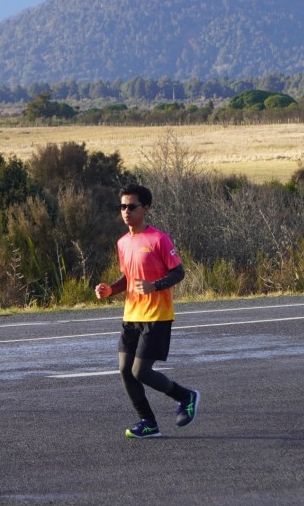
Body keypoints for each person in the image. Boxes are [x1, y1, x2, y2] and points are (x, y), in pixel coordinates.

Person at [94, 183, 200, 438]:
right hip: (131, 316)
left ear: (146, 208)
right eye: (122, 206)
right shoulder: (122, 243)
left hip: (157, 316)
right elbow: (128, 278)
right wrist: (110, 290)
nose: (126, 211)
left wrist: (155, 286)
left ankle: (186, 396)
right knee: (124, 370)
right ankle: (148, 423)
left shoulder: (159, 239)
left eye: (132, 206)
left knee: (140, 371)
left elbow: (179, 272)